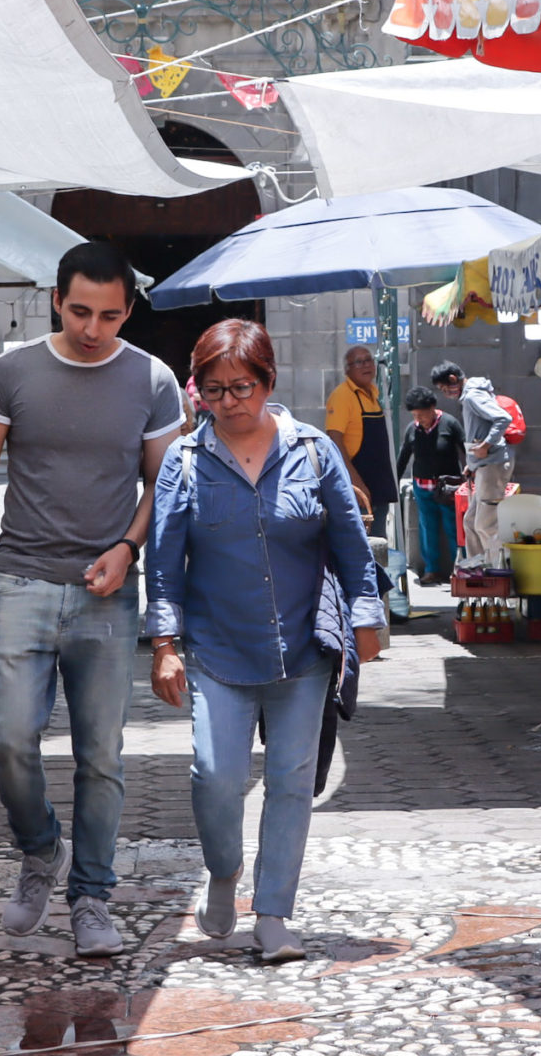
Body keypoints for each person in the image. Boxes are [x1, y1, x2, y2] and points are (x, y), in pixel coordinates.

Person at [0, 241, 184, 959]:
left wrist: (128, 550)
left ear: (128, 310)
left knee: (102, 756)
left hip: (106, 593)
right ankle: (39, 849)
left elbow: (165, 485)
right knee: (9, 735)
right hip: (21, 576)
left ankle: (91, 896)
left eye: (110, 315)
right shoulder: (13, 369)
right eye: (81, 311)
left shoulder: (152, 379)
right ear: (56, 299)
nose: (93, 328)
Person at [146, 320, 383, 964]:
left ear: (269, 382)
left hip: (304, 648)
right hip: (218, 651)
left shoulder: (312, 451)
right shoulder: (185, 462)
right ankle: (224, 872)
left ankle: (274, 913)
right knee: (216, 777)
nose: (229, 403)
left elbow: (351, 547)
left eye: (242, 388)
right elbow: (164, 563)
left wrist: (368, 618)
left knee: (292, 780)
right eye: (214, 391)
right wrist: (163, 643)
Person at [430, 363, 512, 566]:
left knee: (486, 524)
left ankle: (497, 569)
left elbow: (503, 418)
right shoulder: (470, 396)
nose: (445, 393)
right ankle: (477, 566)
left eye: (444, 388)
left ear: (452, 379)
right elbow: (479, 430)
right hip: (484, 465)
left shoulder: (473, 396)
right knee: (470, 521)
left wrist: (486, 445)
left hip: (493, 464)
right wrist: (473, 464)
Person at [323, 344, 400, 541]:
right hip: (359, 488)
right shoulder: (342, 396)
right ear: (347, 369)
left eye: (368, 360)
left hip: (378, 485)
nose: (366, 365)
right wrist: (357, 484)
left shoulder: (374, 393)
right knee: (363, 546)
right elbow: (334, 442)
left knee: (379, 544)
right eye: (359, 362)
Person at [396, 385, 464, 581]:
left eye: (422, 415)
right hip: (422, 488)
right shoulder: (412, 429)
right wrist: (395, 481)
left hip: (448, 489)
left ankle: (459, 571)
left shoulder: (449, 424)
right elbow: (403, 458)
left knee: (453, 528)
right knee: (427, 528)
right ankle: (431, 570)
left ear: (432, 408)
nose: (419, 420)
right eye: (415, 415)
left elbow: (465, 448)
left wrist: (470, 477)